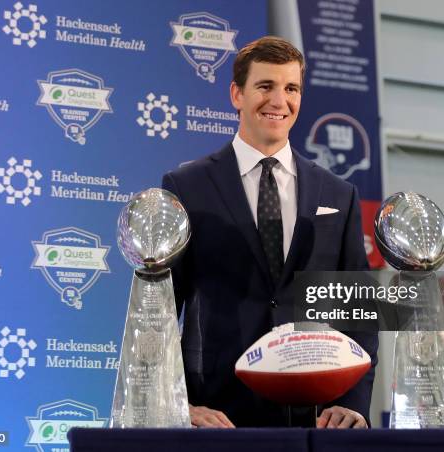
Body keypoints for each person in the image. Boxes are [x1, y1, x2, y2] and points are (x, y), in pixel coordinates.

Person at [162, 36, 378, 428]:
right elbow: (160, 312)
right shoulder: (186, 187)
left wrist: (354, 403)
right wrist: (179, 406)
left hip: (314, 420)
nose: (279, 101)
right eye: (265, 86)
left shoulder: (339, 194)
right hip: (216, 418)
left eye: (291, 88)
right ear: (236, 94)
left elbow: (358, 313)